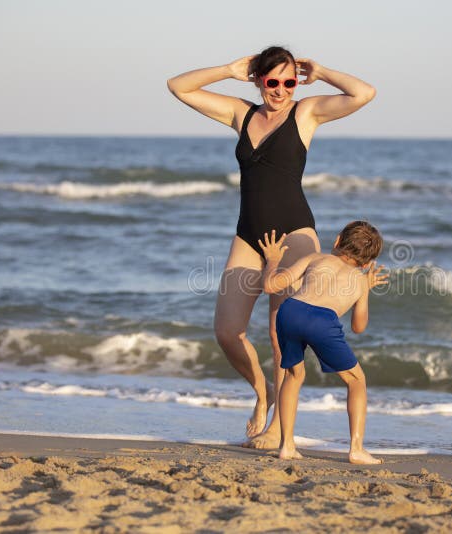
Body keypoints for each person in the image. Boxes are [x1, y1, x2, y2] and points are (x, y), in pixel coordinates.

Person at [167, 47, 376, 447]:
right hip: (248, 234)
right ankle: (262, 390)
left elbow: (364, 93)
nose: (280, 90)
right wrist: (228, 69)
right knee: (227, 331)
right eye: (273, 81)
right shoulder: (240, 114)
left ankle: (279, 426)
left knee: (283, 339)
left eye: (289, 82)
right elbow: (178, 86)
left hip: (295, 235)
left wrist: (323, 71)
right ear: (259, 79)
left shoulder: (306, 113)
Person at [257, 221, 388, 464]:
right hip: (322, 322)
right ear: (368, 263)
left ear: (337, 241)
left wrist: (273, 259)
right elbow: (358, 328)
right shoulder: (359, 281)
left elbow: (269, 286)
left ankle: (287, 446)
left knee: (293, 375)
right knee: (357, 380)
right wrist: (366, 288)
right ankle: (357, 448)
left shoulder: (314, 258)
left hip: (290, 311)